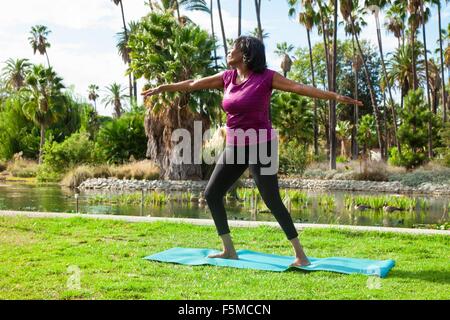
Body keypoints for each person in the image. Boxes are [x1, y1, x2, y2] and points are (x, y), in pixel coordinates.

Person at [142, 36, 363, 267]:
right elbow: (192, 84)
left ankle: (301, 255)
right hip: (235, 146)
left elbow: (299, 88)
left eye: (233, 49)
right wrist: (163, 88)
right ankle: (228, 250)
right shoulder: (227, 78)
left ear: (246, 53)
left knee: (271, 199)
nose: (229, 52)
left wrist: (334, 96)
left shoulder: (266, 77)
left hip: (261, 145)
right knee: (211, 193)